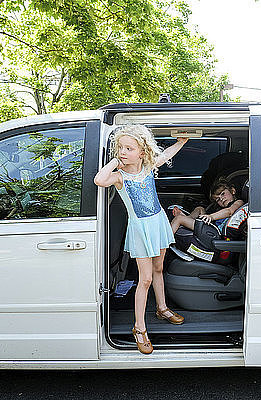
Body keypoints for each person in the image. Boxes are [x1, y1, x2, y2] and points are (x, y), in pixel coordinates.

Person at [94, 124, 188, 354]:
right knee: (144, 279)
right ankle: (139, 327)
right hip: (140, 229)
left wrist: (182, 142)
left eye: (129, 148)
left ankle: (162, 308)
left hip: (158, 224)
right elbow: (99, 179)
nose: (123, 152)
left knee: (158, 268)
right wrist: (116, 161)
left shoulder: (147, 168)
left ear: (142, 152)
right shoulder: (119, 177)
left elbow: (165, 155)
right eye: (120, 148)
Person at [170, 177, 244, 234]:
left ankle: (164, 245)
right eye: (217, 200)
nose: (221, 199)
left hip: (215, 231)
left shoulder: (238, 202)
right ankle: (188, 218)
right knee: (200, 209)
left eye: (223, 194)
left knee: (178, 219)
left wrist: (211, 217)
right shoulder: (220, 208)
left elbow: (229, 212)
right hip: (210, 226)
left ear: (233, 191)